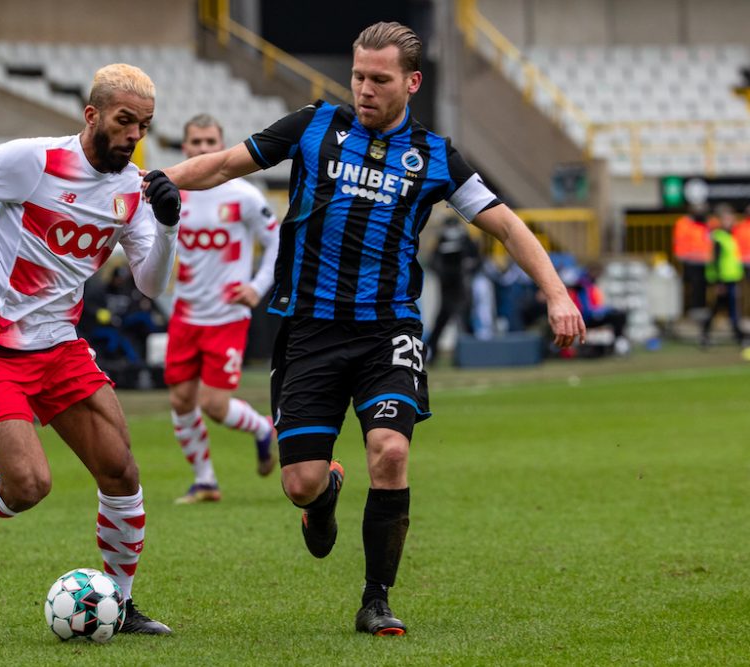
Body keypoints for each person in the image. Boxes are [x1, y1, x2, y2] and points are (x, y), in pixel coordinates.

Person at [146, 21, 586, 636]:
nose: (365, 89)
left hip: (388, 331)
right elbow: (221, 164)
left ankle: (376, 598)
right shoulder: (312, 127)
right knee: (298, 482)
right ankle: (321, 496)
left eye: (379, 79)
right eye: (358, 76)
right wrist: (148, 183)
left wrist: (557, 292)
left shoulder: (435, 156)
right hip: (309, 330)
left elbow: (508, 225)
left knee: (390, 451)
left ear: (411, 81)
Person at [0, 64, 181, 634]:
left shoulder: (132, 190)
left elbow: (151, 283)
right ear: (91, 115)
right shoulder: (34, 161)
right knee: (28, 487)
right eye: (124, 121)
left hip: (61, 347)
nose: (133, 136)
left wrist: (167, 225)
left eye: (143, 126)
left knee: (121, 471)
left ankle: (118, 605)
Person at [164, 113, 280, 504]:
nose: (202, 149)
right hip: (185, 313)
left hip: (227, 316)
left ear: (222, 145)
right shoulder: (173, 195)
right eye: (195, 142)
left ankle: (264, 428)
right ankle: (205, 481)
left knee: (214, 405)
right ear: (184, 147)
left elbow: (278, 242)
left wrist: (258, 287)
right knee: (180, 400)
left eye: (210, 142)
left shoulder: (243, 195)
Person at [424, 216, 481, 363]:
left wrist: (466, 267)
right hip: (447, 290)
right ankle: (431, 353)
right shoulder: (442, 242)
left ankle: (471, 355)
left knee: (465, 322)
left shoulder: (465, 241)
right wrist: (444, 272)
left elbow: (477, 261)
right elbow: (432, 263)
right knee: (441, 322)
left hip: (462, 288)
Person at [700, 204, 746, 347]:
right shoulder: (719, 237)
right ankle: (739, 336)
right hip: (723, 280)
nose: (730, 220)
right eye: (726, 218)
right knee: (727, 308)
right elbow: (716, 261)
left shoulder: (730, 235)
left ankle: (708, 335)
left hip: (731, 278)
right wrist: (719, 283)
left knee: (721, 308)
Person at [672, 203, 712, 317]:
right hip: (689, 260)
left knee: (702, 286)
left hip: (704, 261)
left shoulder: (706, 223)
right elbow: (680, 241)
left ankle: (701, 308)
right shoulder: (684, 224)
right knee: (691, 286)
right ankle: (691, 309)